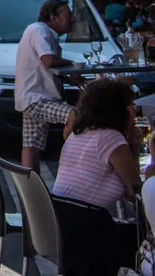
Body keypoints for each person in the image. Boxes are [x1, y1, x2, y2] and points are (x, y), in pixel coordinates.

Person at [54, 78, 141, 211]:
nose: (134, 113)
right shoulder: (111, 139)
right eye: (131, 107)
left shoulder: (77, 134)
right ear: (119, 110)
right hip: (84, 222)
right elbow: (135, 193)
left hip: (59, 217)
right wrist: (134, 148)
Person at [16, 0, 76, 170]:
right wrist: (73, 65)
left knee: (32, 147)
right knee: (75, 116)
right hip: (37, 98)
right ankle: (73, 159)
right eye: (67, 14)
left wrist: (72, 75)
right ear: (52, 17)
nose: (71, 19)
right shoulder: (40, 30)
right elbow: (48, 60)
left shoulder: (42, 32)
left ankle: (30, 188)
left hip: (30, 96)